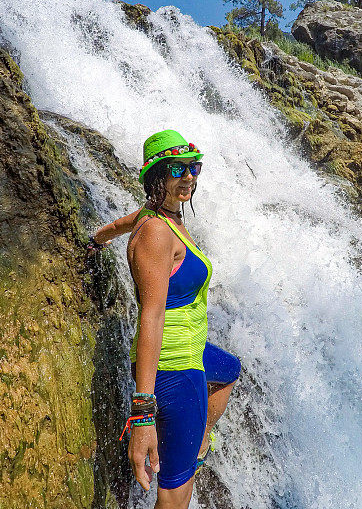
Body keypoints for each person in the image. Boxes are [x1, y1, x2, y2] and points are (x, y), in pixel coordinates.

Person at [89, 130, 240, 508]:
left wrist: (97, 241)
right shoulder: (157, 233)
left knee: (230, 369)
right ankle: (191, 445)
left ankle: (200, 436)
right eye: (177, 169)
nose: (188, 177)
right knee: (176, 493)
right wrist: (143, 413)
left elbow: (118, 225)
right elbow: (151, 315)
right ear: (156, 176)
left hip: (191, 353)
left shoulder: (154, 218)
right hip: (175, 370)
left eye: (193, 168)